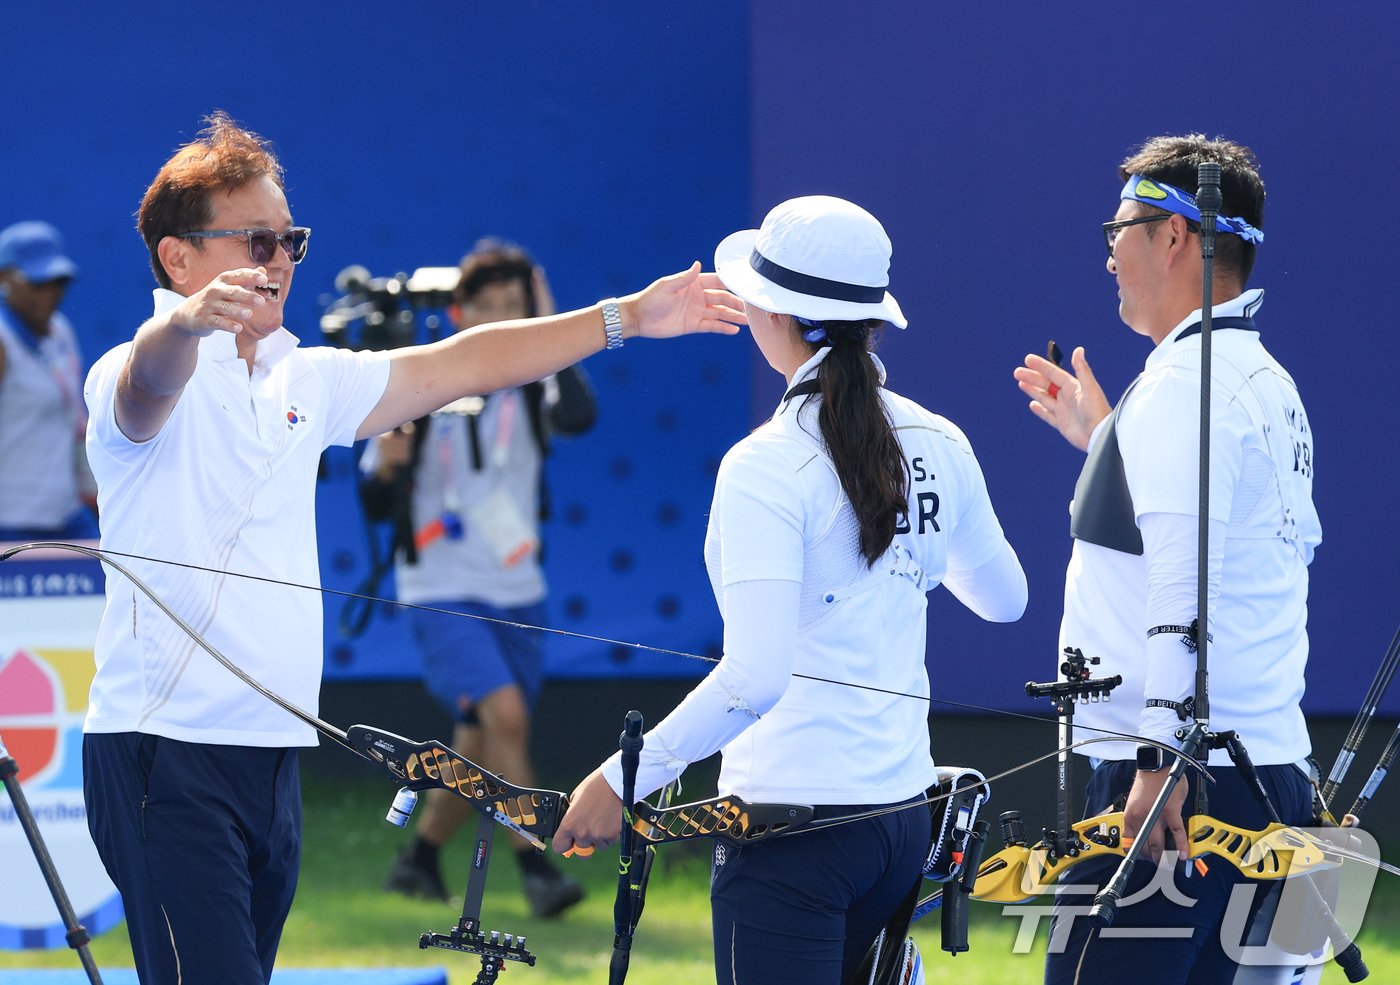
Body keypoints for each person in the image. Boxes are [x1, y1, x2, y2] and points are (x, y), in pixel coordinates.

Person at [78, 111, 741, 985]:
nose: (278, 258)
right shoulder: (134, 364)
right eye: (256, 238)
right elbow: (145, 383)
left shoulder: (303, 377)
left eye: (291, 239)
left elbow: (464, 363)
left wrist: (626, 317)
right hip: (159, 749)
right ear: (178, 258)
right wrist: (188, 325)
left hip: (270, 750)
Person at [555, 195, 1028, 984]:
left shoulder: (767, 463)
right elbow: (1004, 596)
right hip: (900, 825)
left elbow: (756, 677)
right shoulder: (940, 440)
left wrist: (624, 778)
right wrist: (902, 549)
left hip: (792, 836)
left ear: (773, 311)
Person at [1013, 135, 1320, 983]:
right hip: (1251, 772)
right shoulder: (1259, 383)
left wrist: (1160, 763)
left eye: (1120, 229)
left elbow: (1185, 588)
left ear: (1176, 236)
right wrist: (1106, 438)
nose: (1110, 252)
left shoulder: (1188, 389)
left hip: (1177, 784)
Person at [361, 240, 595, 916]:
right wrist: (386, 463)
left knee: (481, 739)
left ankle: (419, 858)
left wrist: (554, 322)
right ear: (459, 312)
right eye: (486, 307)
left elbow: (579, 414)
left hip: (517, 584)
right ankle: (538, 868)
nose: (501, 319)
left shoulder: (535, 384)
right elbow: (376, 503)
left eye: (515, 307)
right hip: (438, 585)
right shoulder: (425, 378)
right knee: (507, 716)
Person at [0, 221, 98, 541]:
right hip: (9, 524)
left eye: (58, 282)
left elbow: (76, 426)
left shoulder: (60, 330)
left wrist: (99, 501)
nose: (51, 294)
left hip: (67, 518)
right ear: (5, 280)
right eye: (38, 282)